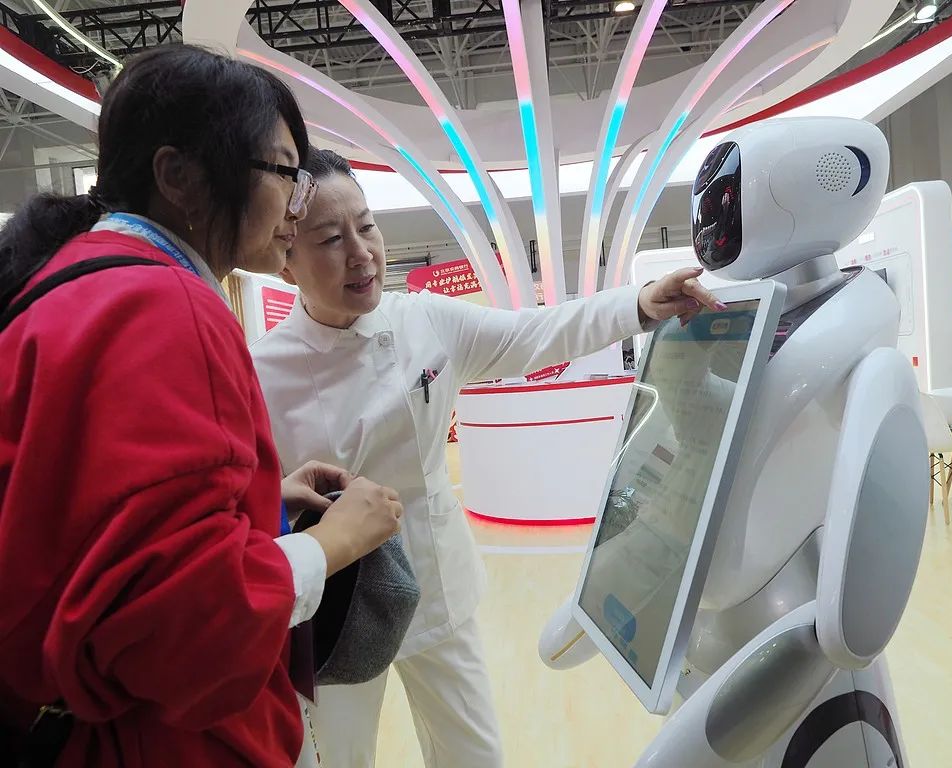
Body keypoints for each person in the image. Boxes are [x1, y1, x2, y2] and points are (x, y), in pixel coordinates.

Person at [250, 148, 723, 768]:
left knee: (474, 755)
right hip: (336, 603)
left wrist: (638, 304)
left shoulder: (425, 323)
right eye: (331, 239)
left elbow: (535, 332)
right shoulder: (261, 371)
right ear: (286, 261)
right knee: (339, 758)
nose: (361, 253)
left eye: (366, 226)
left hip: (435, 584)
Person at [0, 48, 402, 767]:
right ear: (178, 177)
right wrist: (335, 542)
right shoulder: (167, 305)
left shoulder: (73, 284)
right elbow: (184, 629)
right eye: (285, 174)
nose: (297, 206)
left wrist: (251, 502)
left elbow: (85, 520)